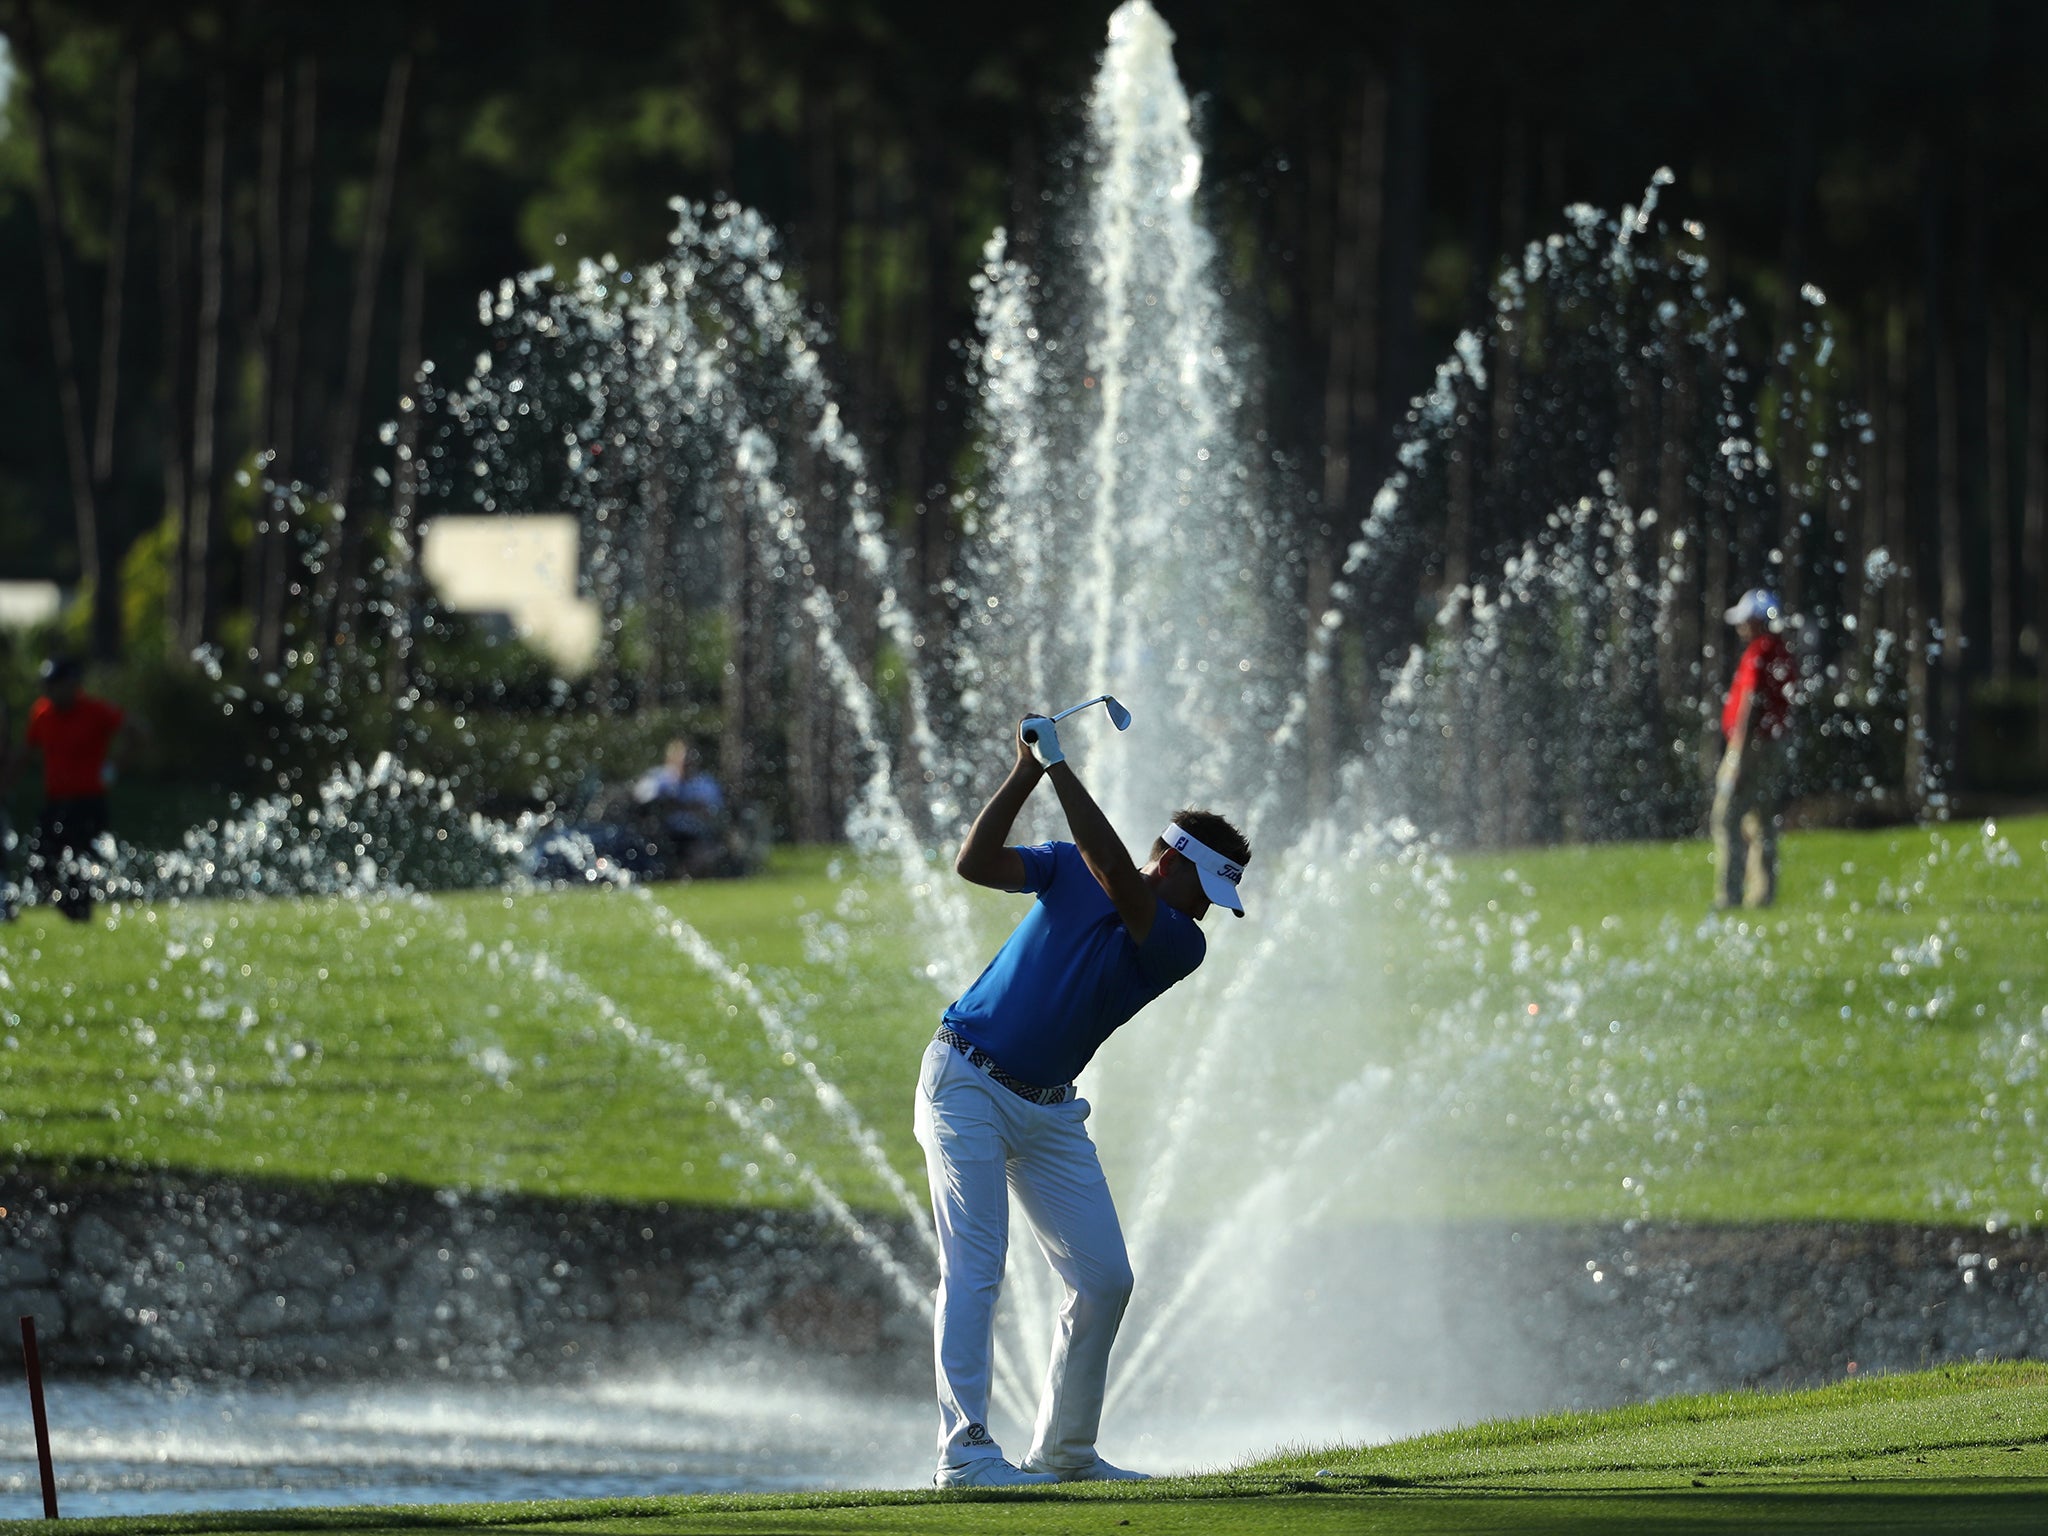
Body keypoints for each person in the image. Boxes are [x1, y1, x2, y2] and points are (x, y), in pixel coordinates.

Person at [915, 708, 1251, 1488]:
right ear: (1170, 860)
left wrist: (1060, 765)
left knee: (1104, 1279)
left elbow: (1116, 881)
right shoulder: (1069, 867)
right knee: (975, 1263)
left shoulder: (1178, 940)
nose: (1209, 908)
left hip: (1049, 1112)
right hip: (963, 1078)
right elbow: (976, 863)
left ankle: (1063, 1452)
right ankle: (963, 1451)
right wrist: (1026, 772)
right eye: (1204, 885)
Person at [13, 657, 136, 922]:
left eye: (56, 685)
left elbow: (136, 730)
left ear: (71, 685)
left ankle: (80, 915)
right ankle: (69, 908)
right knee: (41, 863)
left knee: (81, 867)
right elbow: (25, 751)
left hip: (89, 803)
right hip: (56, 803)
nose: (50, 691)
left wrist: (114, 768)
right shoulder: (42, 713)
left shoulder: (94, 710)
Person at [1713, 589, 1798, 909]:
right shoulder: (1781, 652)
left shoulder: (1759, 652)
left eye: (1746, 620)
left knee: (1726, 817)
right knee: (1761, 821)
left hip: (1751, 747)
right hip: (1773, 746)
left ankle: (1730, 894)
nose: (1741, 627)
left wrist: (1736, 756)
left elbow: (1751, 704)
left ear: (1758, 622)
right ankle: (1762, 894)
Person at [633, 738, 725, 842]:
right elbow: (639, 801)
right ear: (668, 760)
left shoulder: (705, 784)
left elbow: (714, 813)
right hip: (661, 836)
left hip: (696, 838)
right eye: (679, 760)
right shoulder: (657, 779)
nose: (684, 764)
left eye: (688, 760)